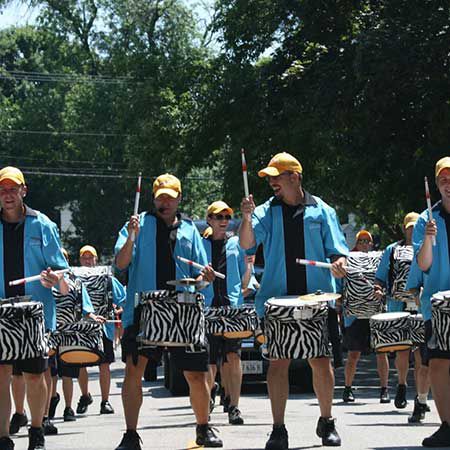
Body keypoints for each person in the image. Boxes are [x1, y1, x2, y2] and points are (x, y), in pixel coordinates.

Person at [240, 153, 347, 449]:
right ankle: (278, 429)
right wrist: (246, 218)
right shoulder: (265, 211)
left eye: (277, 176)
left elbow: (337, 251)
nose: (272, 182)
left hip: (317, 299)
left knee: (321, 362)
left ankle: (327, 421)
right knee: (277, 364)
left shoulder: (322, 210)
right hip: (277, 301)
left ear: (295, 177)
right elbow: (247, 244)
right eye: (270, 178)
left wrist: (339, 263)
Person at [114, 173, 222, 449]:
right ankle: (130, 434)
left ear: (179, 199)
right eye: (160, 198)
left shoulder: (189, 230)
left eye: (170, 198)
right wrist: (131, 237)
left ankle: (203, 427)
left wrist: (205, 277)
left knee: (196, 374)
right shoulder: (137, 225)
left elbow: (200, 276)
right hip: (144, 309)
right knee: (134, 372)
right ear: (153, 199)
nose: (165, 203)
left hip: (183, 311)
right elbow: (121, 264)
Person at [0, 166, 69, 450]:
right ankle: (3, 437)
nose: (7, 195)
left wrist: (55, 278)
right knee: (1, 374)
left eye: (13, 189)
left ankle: (37, 430)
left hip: (34, 312)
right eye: (2, 190)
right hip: (1, 310)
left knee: (34, 374)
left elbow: (62, 271)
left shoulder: (43, 224)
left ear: (23, 191)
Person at [408, 157, 450, 447]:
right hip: (437, 305)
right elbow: (423, 265)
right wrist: (427, 239)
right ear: (436, 185)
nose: (448, 184)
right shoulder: (426, 219)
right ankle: (446, 425)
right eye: (443, 180)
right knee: (437, 364)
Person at [202, 201, 248, 425]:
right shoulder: (201, 246)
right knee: (210, 360)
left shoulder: (235, 244)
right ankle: (209, 395)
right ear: (209, 219)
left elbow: (244, 277)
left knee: (233, 357)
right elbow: (193, 278)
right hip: (208, 308)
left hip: (232, 308)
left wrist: (246, 283)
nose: (223, 221)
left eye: (227, 217)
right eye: (218, 217)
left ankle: (234, 407)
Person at [373, 213, 424, 411]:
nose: (413, 230)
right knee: (402, 350)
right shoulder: (392, 250)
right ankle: (402, 385)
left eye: (416, 226)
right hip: (397, 305)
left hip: (420, 305)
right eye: (409, 227)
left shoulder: (427, 248)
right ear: (404, 228)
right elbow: (380, 277)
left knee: (420, 352)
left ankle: (420, 397)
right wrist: (378, 288)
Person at [48, 248, 105, 423]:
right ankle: (51, 399)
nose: (59, 262)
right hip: (49, 333)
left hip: (70, 332)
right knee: (49, 371)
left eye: (63, 258)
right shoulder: (43, 280)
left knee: (67, 373)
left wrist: (92, 316)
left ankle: (68, 407)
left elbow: (84, 303)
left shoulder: (75, 281)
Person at [341, 230, 392, 404]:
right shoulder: (348, 259)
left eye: (367, 241)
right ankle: (347, 388)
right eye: (361, 241)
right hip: (354, 314)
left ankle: (384, 390)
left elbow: (385, 279)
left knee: (381, 352)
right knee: (353, 353)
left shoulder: (379, 259)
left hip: (376, 312)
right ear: (356, 243)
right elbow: (341, 283)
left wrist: (381, 291)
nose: (364, 243)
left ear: (371, 244)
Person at [76, 245, 126, 415]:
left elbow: (122, 298)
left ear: (96, 259)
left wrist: (121, 309)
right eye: (84, 258)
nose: (87, 261)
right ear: (80, 260)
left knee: (104, 365)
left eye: (90, 257)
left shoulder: (107, 278)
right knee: (80, 363)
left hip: (105, 327)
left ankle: (105, 401)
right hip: (82, 327)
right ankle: (85, 395)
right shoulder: (75, 278)